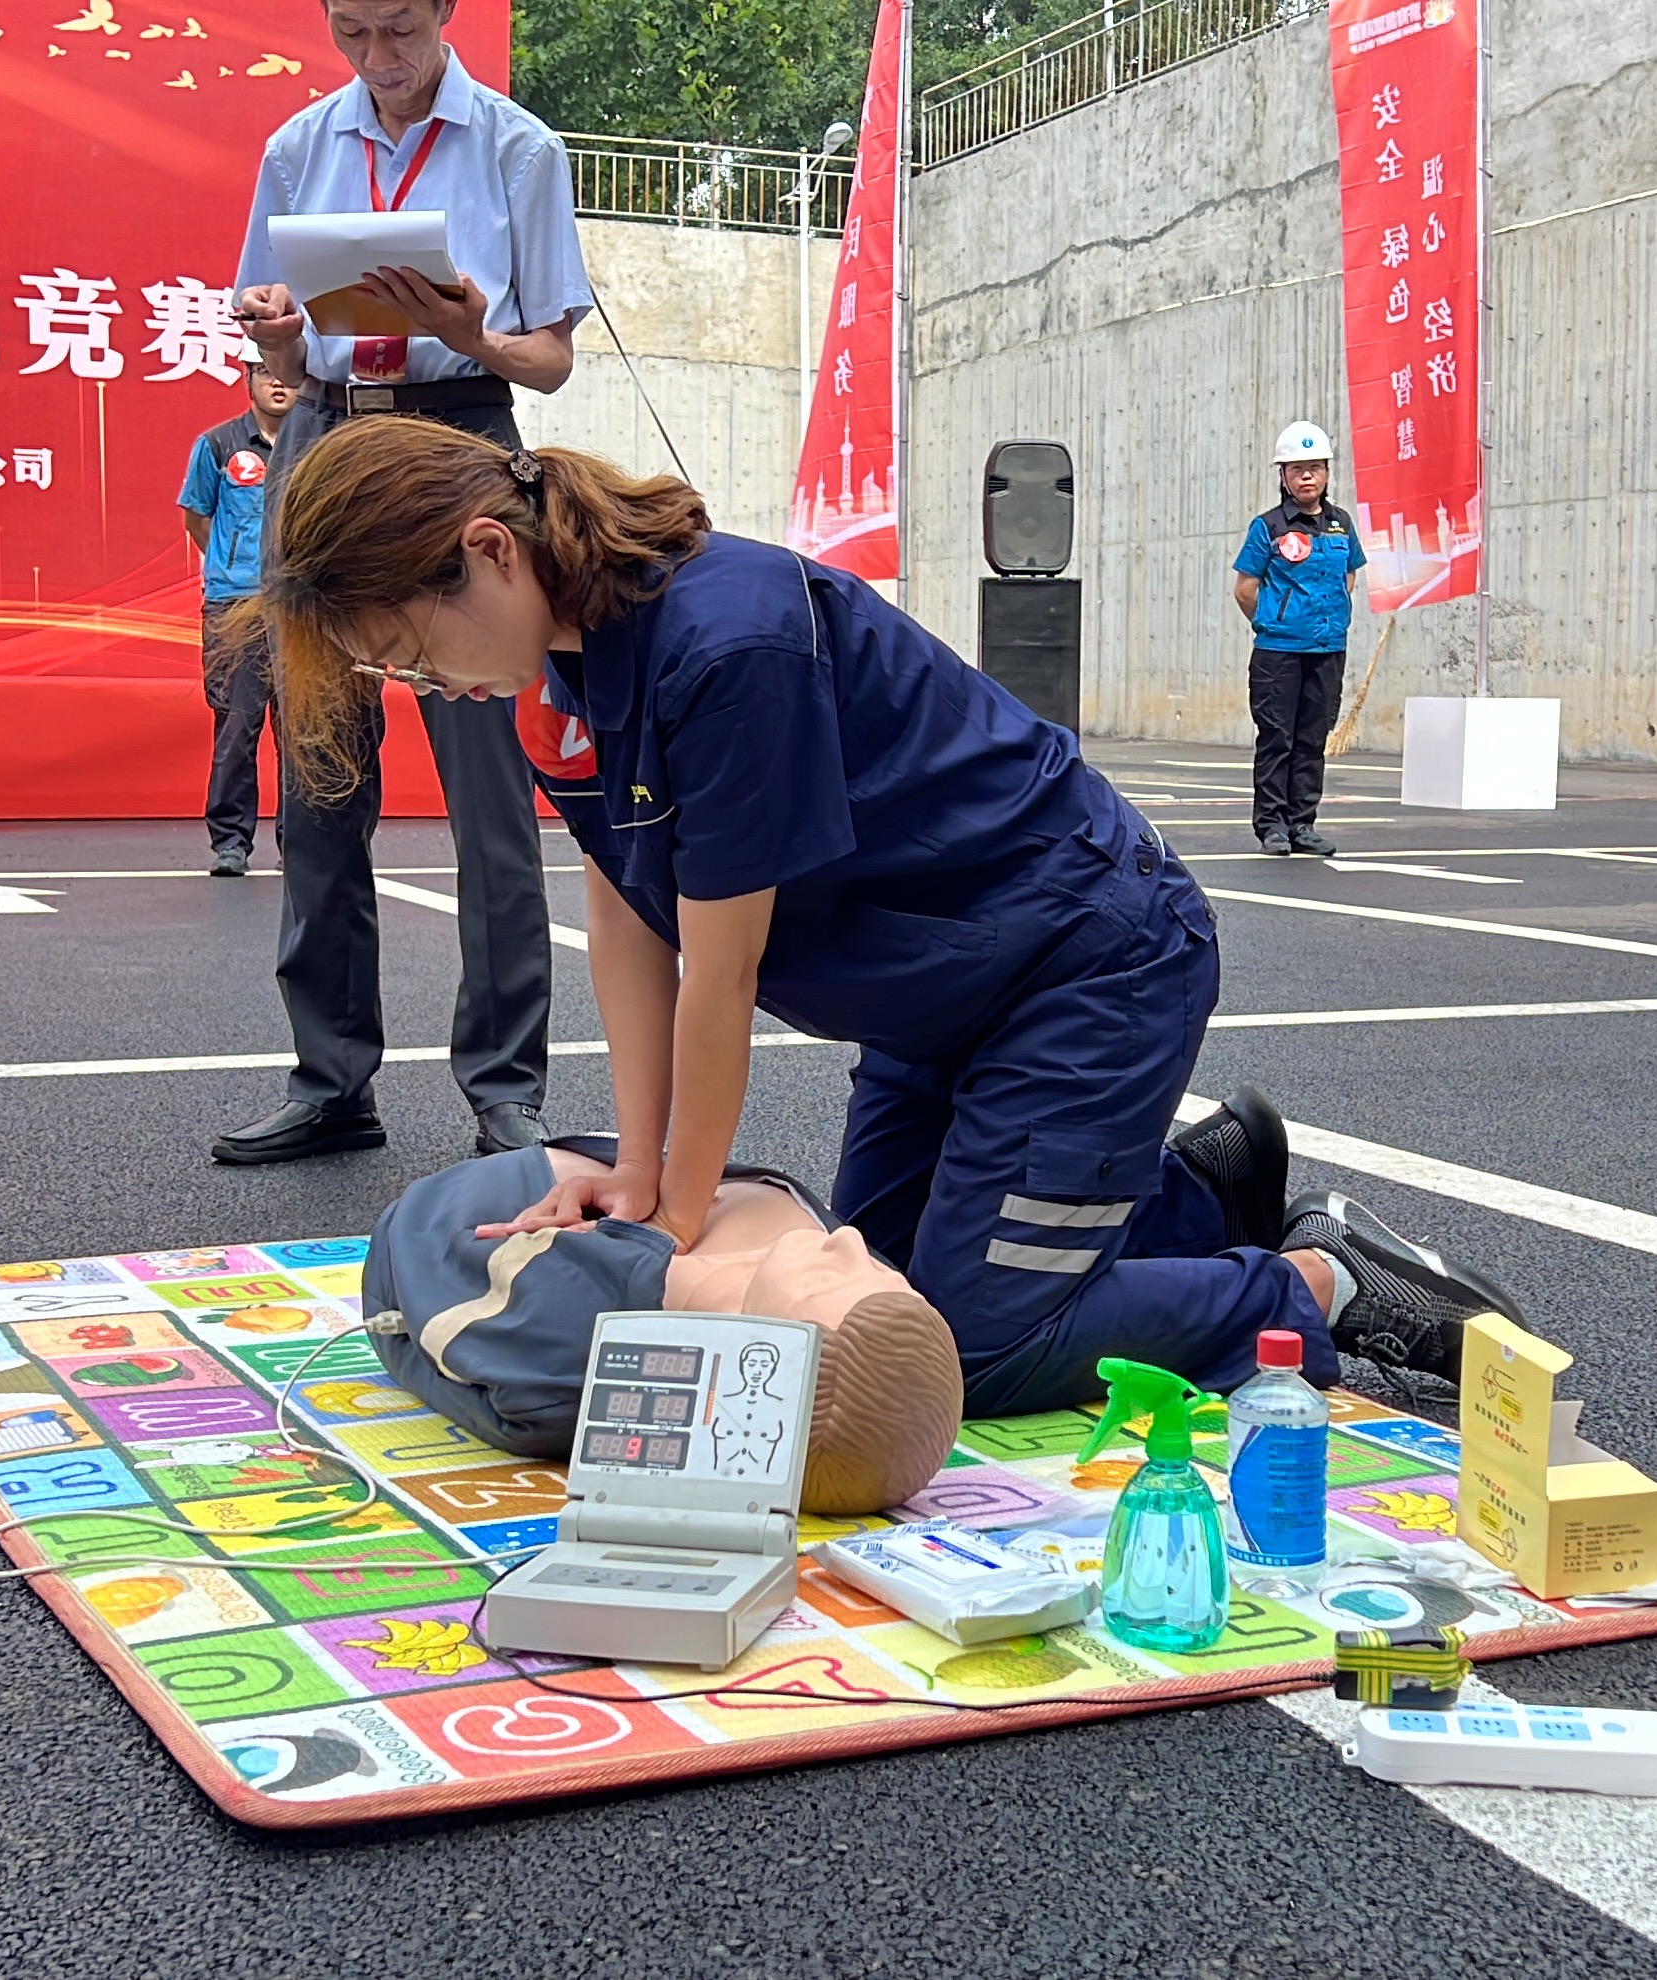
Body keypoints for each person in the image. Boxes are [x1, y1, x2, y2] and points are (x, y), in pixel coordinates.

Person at [252, 418, 1520, 1416]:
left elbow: (720, 973)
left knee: (968, 1346)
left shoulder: (723, 644)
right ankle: (1194, 1198)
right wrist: (637, 1173)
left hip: (1084, 964)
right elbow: (632, 929)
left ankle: (1320, 1284)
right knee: (883, 1297)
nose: (422, 686)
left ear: (488, 549)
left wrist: (675, 1218)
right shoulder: (554, 685)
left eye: (409, 652)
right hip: (938, 1000)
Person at [207, 0, 596, 1166]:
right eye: (352, 33)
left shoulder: (519, 148)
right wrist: (276, 335)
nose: (378, 61)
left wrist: (472, 334)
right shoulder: (297, 146)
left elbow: (549, 361)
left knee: (488, 784)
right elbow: (278, 342)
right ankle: (331, 1079)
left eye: (399, 32)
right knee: (319, 777)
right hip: (325, 441)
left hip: (457, 439)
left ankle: (505, 1087)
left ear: (444, 11)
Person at [360, 1138, 964, 1514]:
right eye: (885, 1274)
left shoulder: (562, 1346)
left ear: (766, 1355)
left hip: (517, 1195)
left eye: (829, 1279)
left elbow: (398, 1289)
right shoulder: (824, 1273)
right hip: (632, 1171)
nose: (850, 1241)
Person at [1231, 421, 1369, 859]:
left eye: (1315, 468)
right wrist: (1276, 622)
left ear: (1326, 472)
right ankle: (1272, 825)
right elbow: (1245, 589)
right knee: (1277, 738)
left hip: (1327, 650)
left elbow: (1348, 577)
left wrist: (1327, 621)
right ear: (1284, 476)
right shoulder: (1268, 526)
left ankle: (1302, 823)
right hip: (1278, 653)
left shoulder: (1341, 524)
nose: (1307, 476)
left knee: (1312, 739)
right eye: (1297, 469)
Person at [183, 368, 298, 878]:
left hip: (299, 606)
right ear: (248, 379)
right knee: (237, 724)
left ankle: (299, 842)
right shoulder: (217, 444)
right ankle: (230, 840)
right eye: (265, 372)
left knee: (301, 730)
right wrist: (232, 565)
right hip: (235, 607)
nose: (278, 383)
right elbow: (197, 517)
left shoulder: (315, 445)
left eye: (287, 374)